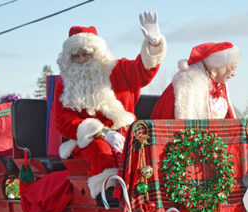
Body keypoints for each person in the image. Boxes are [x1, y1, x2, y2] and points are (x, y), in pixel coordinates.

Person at [52, 12, 167, 200]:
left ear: (96, 53)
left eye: (86, 54)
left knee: (147, 149)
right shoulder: (65, 85)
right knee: (101, 150)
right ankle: (109, 197)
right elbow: (63, 121)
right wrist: (100, 132)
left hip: (125, 131)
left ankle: (150, 196)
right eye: (76, 56)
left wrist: (154, 45)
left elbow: (142, 71)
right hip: (88, 139)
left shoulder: (118, 69)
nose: (81, 60)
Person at [149, 42, 239, 119]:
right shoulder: (189, 82)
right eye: (232, 68)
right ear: (219, 66)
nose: (234, 74)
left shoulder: (219, 85)